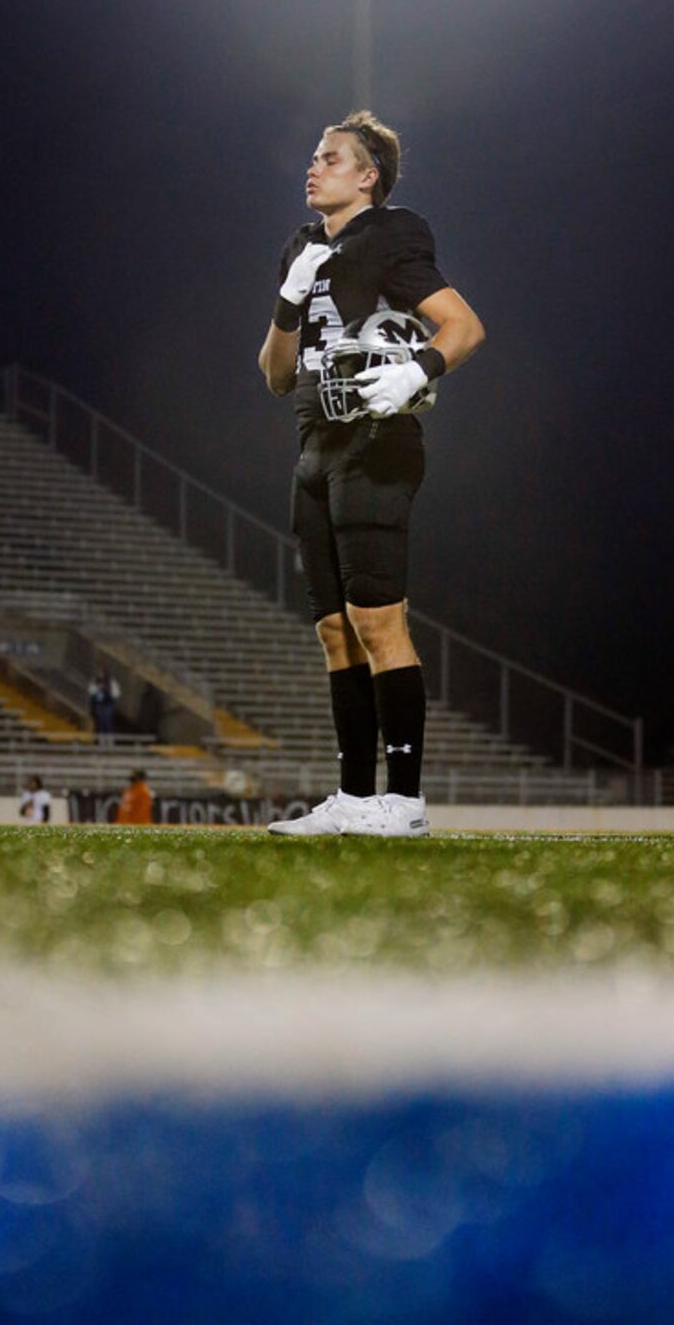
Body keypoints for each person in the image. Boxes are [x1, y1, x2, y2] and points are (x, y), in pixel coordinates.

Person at [257, 110, 485, 838]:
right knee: (333, 630)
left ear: (367, 177)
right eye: (313, 157)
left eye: (330, 158)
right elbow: (274, 375)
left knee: (376, 618)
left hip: (378, 439)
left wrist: (415, 370)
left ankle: (406, 801)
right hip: (314, 444)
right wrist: (288, 302)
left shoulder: (392, 233)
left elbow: (464, 326)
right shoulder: (299, 245)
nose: (313, 166)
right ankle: (355, 798)